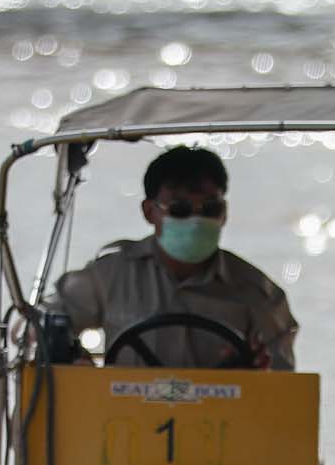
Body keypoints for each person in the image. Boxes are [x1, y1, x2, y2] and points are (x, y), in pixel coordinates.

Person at [50, 145, 298, 370]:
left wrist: (259, 371)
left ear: (224, 213)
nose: (197, 221)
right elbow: (39, 324)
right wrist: (74, 359)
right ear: (149, 212)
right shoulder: (109, 275)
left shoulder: (259, 295)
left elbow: (283, 386)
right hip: (122, 417)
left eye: (211, 209)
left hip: (222, 418)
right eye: (180, 210)